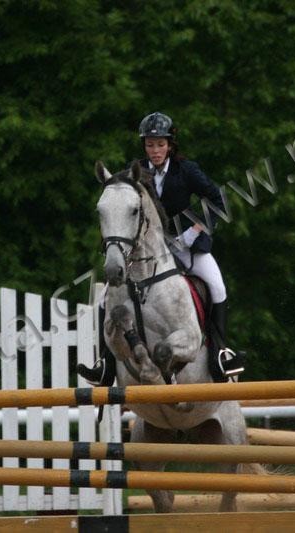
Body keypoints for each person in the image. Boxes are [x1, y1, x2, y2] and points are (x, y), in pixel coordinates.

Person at [78, 112, 245, 386]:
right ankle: (105, 365)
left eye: (160, 144)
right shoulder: (134, 173)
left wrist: (195, 231)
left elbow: (218, 201)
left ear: (170, 145)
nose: (155, 150)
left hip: (186, 244)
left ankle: (220, 353)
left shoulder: (186, 170)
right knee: (106, 298)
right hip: (147, 249)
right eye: (150, 145)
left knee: (217, 287)